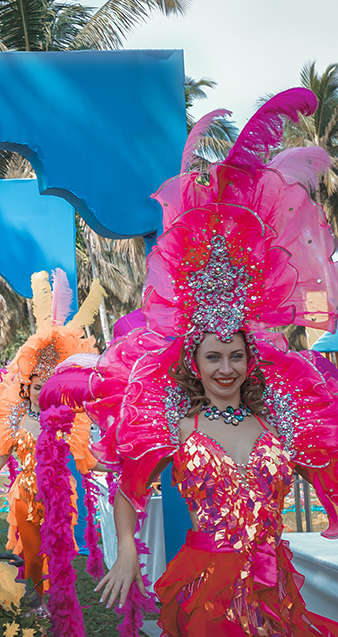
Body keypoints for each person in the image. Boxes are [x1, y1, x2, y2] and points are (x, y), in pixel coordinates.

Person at [86, 90, 338, 635]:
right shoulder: (175, 423)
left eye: (235, 356)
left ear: (251, 360)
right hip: (206, 589)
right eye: (214, 357)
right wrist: (126, 549)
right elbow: (129, 490)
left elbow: (329, 467)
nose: (226, 367)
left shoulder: (280, 420)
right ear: (194, 364)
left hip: (276, 589)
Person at [0, 269, 102, 596]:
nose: (41, 392)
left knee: (59, 560)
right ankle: (38, 607)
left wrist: (123, 462)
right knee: (31, 559)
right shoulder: (13, 417)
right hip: (25, 495)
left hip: (59, 494)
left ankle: (58, 608)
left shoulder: (68, 419)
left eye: (49, 386)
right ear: (27, 387)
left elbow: (87, 459)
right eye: (37, 386)